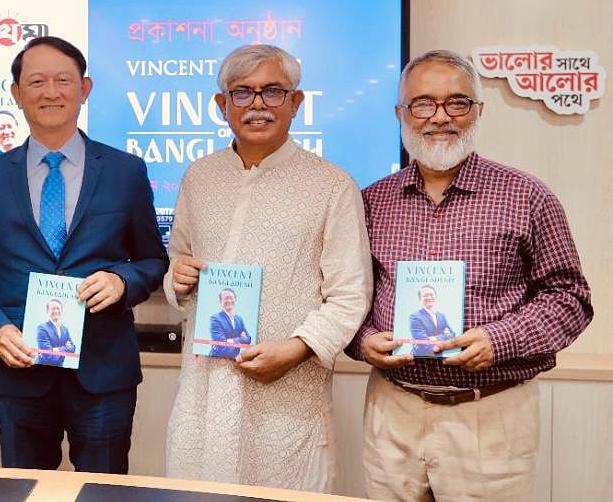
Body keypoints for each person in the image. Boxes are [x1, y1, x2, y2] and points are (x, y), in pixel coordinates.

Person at [347, 50, 592, 501]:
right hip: (392, 410)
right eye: (423, 103)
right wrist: (362, 339)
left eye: (457, 102)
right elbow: (345, 297)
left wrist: (500, 340)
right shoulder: (370, 202)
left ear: (478, 110)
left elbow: (570, 299)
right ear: (401, 113)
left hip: (491, 414)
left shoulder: (528, 196)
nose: (440, 117)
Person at [0, 36, 168, 474]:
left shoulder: (125, 171)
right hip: (21, 369)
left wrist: (122, 281)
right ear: (16, 93)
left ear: (84, 89)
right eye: (36, 81)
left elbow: (153, 260)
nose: (50, 92)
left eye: (63, 81)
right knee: (26, 494)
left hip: (103, 371)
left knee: (103, 495)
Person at [164, 44, 370, 492]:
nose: (257, 105)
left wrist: (296, 349)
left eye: (273, 92)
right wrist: (176, 278)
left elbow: (351, 293)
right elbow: (177, 258)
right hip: (202, 390)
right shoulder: (199, 176)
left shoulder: (332, 184)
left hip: (286, 398)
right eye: (242, 93)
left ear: (296, 103)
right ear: (222, 106)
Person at [407, 284, 455, 357]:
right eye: (425, 295)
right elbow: (423, 342)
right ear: (420, 299)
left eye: (431, 294)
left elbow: (452, 335)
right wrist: (444, 337)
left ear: (436, 297)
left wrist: (434, 338)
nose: (429, 297)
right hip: (420, 358)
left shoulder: (441, 315)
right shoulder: (415, 317)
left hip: (440, 358)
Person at [208, 288, 249, 358]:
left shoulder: (239, 319)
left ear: (235, 300)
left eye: (231, 298)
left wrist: (232, 340)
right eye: (226, 298)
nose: (229, 300)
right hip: (217, 358)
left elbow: (248, 340)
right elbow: (221, 343)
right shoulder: (215, 318)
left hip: (235, 359)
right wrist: (241, 339)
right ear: (220, 301)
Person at [35, 299, 76, 367]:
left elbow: (72, 348)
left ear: (62, 311)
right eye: (53, 309)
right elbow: (47, 354)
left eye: (58, 308)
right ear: (48, 311)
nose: (56, 311)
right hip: (43, 365)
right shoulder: (42, 328)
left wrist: (56, 349)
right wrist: (65, 348)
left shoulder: (65, 329)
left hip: (60, 366)